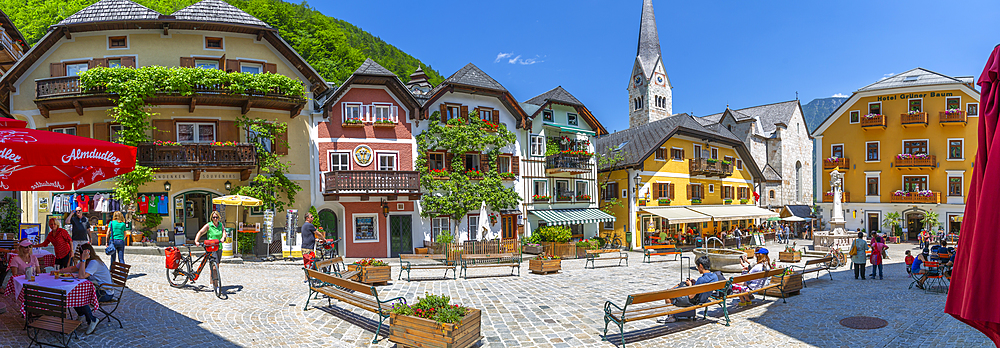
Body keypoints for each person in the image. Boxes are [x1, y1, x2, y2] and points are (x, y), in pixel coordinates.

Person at [56, 244, 112, 335]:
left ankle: (92, 320)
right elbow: (73, 268)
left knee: (80, 297)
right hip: (97, 289)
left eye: (81, 254)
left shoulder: (93, 262)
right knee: (72, 293)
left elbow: (82, 276)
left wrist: (83, 260)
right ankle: (81, 314)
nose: (79, 255)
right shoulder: (88, 261)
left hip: (105, 292)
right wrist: (58, 271)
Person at [658, 256, 719, 323]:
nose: (698, 269)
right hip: (704, 298)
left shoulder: (701, 279)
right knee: (680, 285)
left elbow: (691, 296)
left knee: (668, 295)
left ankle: (670, 316)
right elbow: (703, 284)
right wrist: (695, 283)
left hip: (694, 301)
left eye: (697, 267)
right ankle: (671, 290)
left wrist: (690, 285)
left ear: (701, 266)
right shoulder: (714, 276)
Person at [194, 211, 226, 284]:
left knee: (216, 265)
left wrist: (223, 238)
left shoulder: (221, 225)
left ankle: (212, 282)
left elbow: (224, 232)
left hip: (219, 247)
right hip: (211, 248)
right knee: (214, 266)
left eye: (216, 217)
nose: (215, 219)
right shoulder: (209, 225)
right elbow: (200, 232)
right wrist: (196, 241)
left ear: (219, 218)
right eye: (214, 217)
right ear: (211, 218)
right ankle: (215, 284)